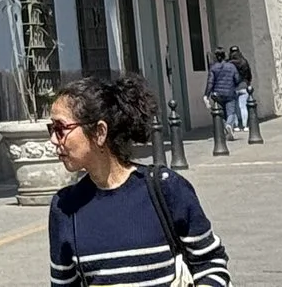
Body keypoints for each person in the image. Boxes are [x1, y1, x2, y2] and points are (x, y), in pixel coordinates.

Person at [45, 73, 229, 286]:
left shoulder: (166, 188)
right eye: (51, 129)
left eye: (60, 129)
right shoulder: (65, 208)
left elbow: (211, 264)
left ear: (99, 132)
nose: (52, 140)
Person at [204, 49, 242, 139]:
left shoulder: (213, 68)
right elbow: (237, 79)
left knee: (221, 113)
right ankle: (229, 125)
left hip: (217, 94)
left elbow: (210, 82)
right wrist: (234, 85)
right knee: (231, 112)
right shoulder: (231, 66)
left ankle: (226, 128)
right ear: (225, 55)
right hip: (229, 93)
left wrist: (206, 94)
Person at [228, 47, 254, 131]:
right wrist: (248, 82)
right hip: (243, 85)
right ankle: (245, 125)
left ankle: (236, 126)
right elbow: (249, 74)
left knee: (235, 108)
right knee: (243, 107)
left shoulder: (229, 63)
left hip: (233, 87)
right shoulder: (244, 62)